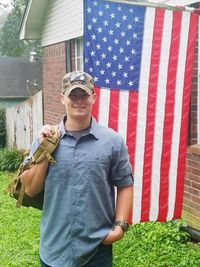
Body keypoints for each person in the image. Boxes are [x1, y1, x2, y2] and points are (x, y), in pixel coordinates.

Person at [22, 71, 134, 267]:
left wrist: (120, 227)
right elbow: (30, 189)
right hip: (54, 250)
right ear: (62, 98)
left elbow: (125, 184)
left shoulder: (112, 141)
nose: (79, 100)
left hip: (96, 250)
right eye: (73, 94)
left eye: (84, 94)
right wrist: (45, 148)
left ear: (93, 97)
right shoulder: (44, 139)